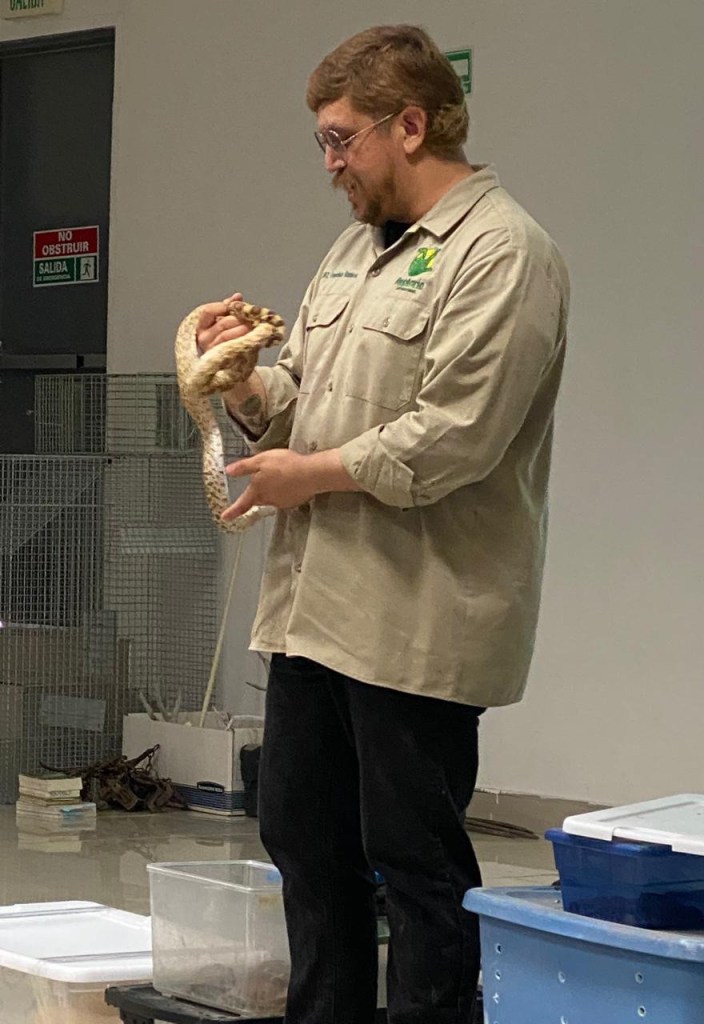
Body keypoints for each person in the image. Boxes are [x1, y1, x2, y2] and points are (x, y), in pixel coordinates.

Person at [195, 24, 569, 1024]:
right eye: (322, 141)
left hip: (417, 622)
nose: (329, 165)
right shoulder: (355, 252)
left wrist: (306, 477)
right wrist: (244, 384)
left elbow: (455, 437)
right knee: (302, 840)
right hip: (311, 612)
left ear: (409, 125)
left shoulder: (504, 254)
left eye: (340, 139)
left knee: (414, 861)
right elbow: (300, 396)